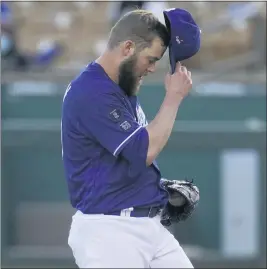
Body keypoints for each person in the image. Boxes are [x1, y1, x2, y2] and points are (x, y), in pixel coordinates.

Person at [61, 8, 201, 268]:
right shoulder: (92, 91)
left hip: (145, 225)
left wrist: (155, 189)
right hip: (109, 230)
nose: (151, 68)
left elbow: (130, 161)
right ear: (128, 47)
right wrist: (173, 97)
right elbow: (143, 151)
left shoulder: (118, 87)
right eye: (150, 59)